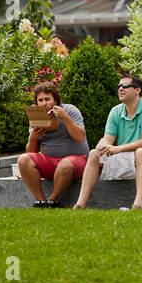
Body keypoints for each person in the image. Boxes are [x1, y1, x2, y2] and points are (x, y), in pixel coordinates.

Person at [73, 73, 142, 211]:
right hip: (128, 159)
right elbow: (108, 139)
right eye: (119, 86)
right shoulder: (115, 111)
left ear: (138, 90)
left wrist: (117, 149)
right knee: (94, 154)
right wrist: (102, 145)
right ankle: (80, 204)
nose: (121, 89)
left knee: (141, 152)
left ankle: (138, 204)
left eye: (125, 86)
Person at [16, 80, 89, 208]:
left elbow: (80, 137)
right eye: (40, 100)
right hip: (51, 162)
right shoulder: (37, 117)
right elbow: (31, 153)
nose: (44, 103)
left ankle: (53, 200)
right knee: (23, 160)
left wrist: (65, 118)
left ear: (55, 99)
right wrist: (33, 138)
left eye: (47, 99)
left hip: (76, 161)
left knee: (65, 164)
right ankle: (41, 201)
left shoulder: (69, 110)